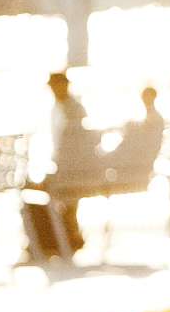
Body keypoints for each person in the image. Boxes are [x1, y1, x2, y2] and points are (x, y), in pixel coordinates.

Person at [25, 70, 108, 261]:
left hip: (72, 170)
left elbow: (74, 148)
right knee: (63, 202)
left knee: (39, 192)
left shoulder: (72, 110)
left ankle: (54, 241)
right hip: (69, 168)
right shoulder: (64, 108)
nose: (55, 90)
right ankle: (64, 239)